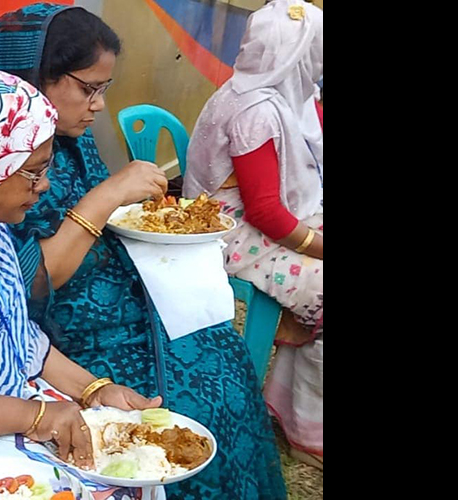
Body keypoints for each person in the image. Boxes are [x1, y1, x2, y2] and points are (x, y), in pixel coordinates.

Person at [0, 5, 286, 497]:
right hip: (65, 325)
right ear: (34, 77)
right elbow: (24, 285)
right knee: (186, 405)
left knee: (224, 362)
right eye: (87, 88)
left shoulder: (71, 140)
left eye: (104, 90)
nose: (98, 106)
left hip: (118, 296)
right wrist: (107, 196)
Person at [0, 69, 159, 472]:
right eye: (32, 171)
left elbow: (18, 338)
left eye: (46, 168)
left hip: (14, 408)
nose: (44, 185)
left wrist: (94, 391)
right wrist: (36, 416)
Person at [184, 0, 323, 469]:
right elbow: (266, 212)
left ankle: (286, 405)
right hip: (227, 231)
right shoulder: (257, 111)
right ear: (298, 55)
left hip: (253, 218)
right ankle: (305, 426)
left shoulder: (276, 93)